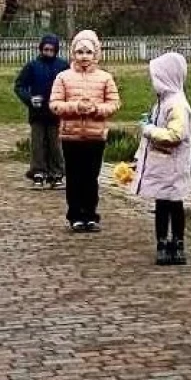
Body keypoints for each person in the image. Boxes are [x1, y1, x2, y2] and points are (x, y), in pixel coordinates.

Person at [47, 29, 120, 232]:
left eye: (88, 52)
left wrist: (97, 109)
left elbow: (114, 103)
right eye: (80, 52)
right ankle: (75, 215)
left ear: (96, 53)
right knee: (74, 176)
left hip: (95, 136)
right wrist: (75, 107)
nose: (84, 57)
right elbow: (54, 104)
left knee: (91, 177)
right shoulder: (63, 77)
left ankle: (90, 215)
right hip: (71, 135)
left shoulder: (105, 78)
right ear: (73, 53)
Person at [133, 51, 191, 266]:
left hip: (172, 164)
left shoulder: (176, 104)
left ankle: (177, 243)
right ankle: (162, 243)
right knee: (162, 205)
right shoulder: (163, 102)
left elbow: (176, 135)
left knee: (174, 205)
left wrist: (149, 130)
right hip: (163, 165)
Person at [13, 33, 66, 188]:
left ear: (56, 50)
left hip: (55, 112)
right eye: (45, 49)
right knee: (38, 144)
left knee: (55, 144)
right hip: (37, 112)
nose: (48, 52)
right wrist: (29, 99)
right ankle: (38, 172)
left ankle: (56, 173)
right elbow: (19, 86)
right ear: (41, 49)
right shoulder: (32, 66)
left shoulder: (62, 66)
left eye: (51, 49)